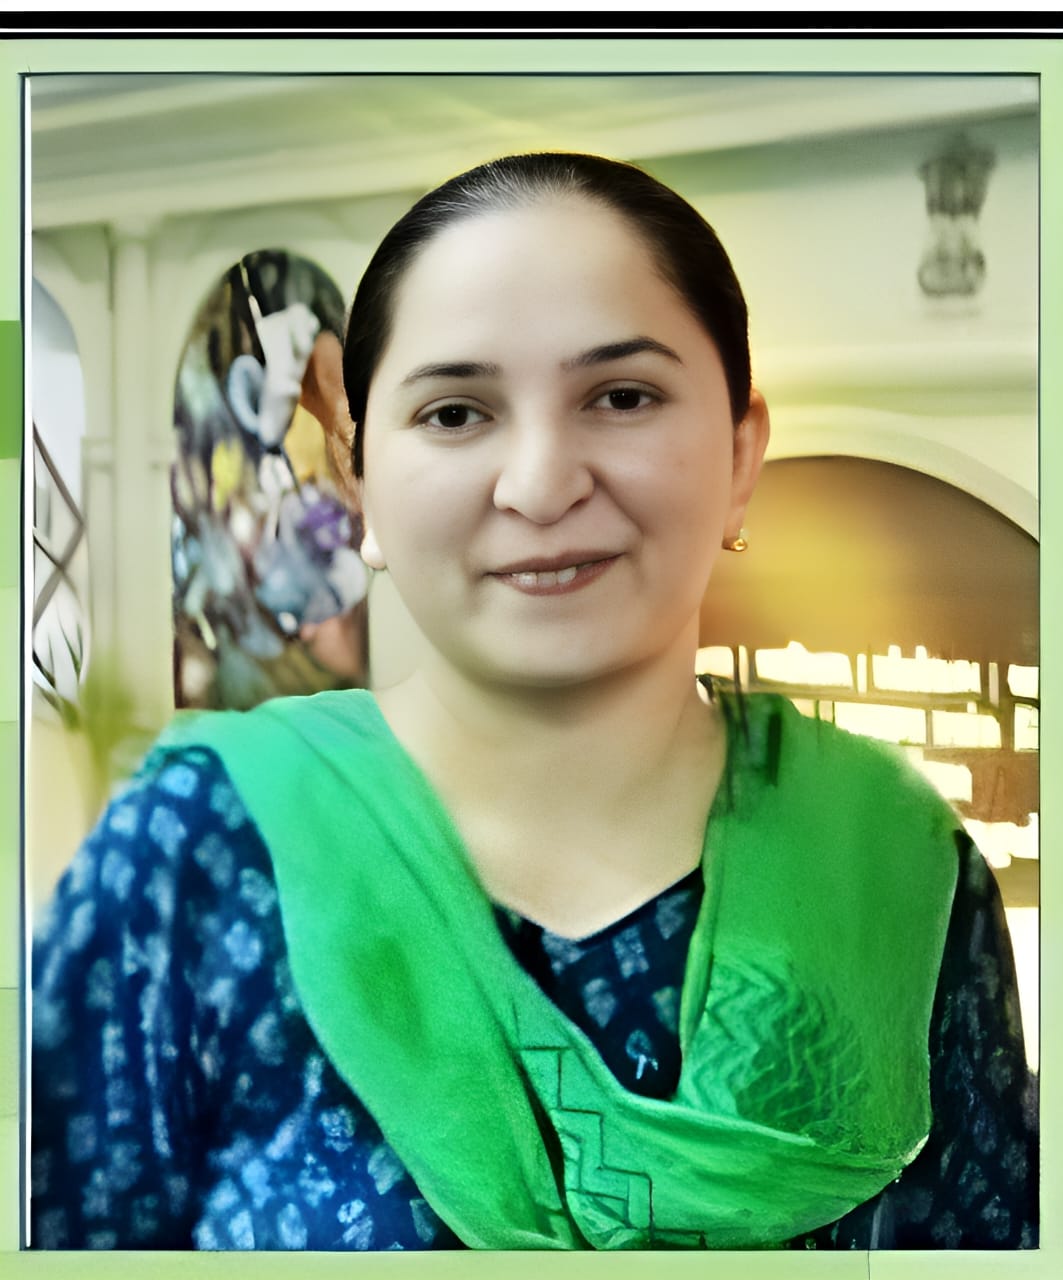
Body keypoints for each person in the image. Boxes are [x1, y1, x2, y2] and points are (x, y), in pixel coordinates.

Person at [30, 152, 1037, 1252]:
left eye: (622, 397)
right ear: (359, 478)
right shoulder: (196, 851)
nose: (542, 484)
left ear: (739, 455)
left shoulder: (896, 863)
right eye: (456, 412)